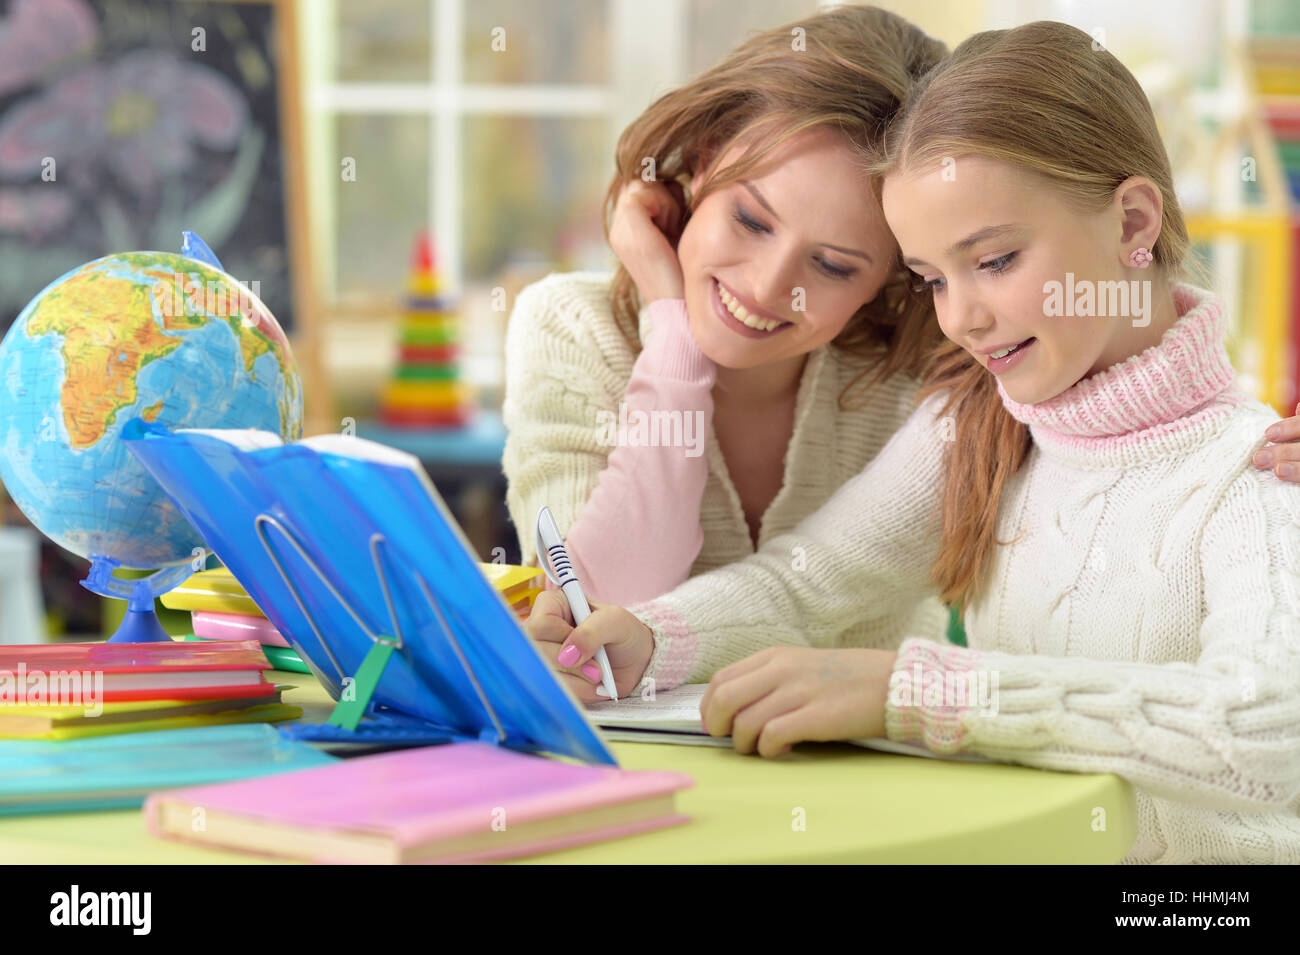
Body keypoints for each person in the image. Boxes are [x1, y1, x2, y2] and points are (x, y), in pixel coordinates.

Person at [532, 21, 1300, 864]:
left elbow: (1264, 732)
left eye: (995, 260)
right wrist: (650, 638)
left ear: (1133, 222)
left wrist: (923, 691)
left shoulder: (1261, 470)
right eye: (934, 278)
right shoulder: (981, 418)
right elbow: (809, 581)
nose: (962, 317)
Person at [501, 5, 950, 659]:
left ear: (890, 277)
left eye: (832, 265)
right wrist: (675, 340)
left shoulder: (914, 389)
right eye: (751, 220)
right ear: (705, 158)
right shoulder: (571, 328)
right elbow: (596, 612)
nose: (767, 287)